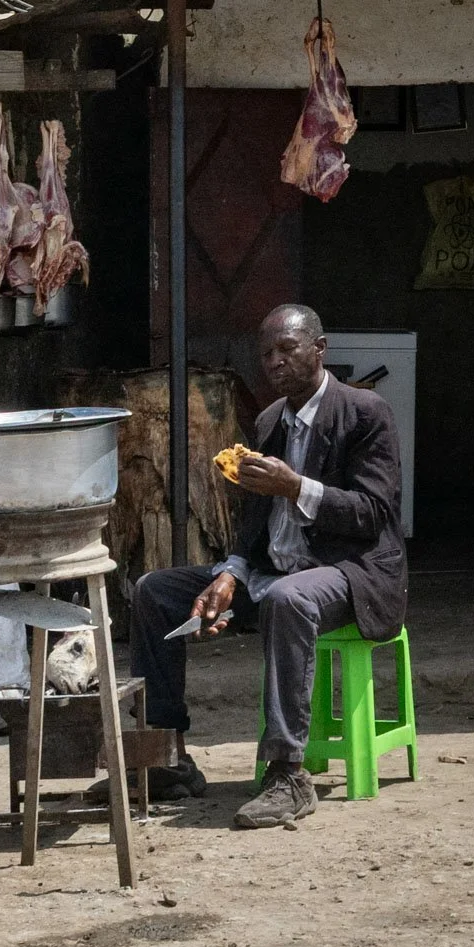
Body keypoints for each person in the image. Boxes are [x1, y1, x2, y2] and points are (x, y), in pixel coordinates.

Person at [129, 304, 406, 828]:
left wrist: (297, 486)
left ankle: (288, 775)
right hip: (273, 572)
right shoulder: (269, 419)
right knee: (154, 590)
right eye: (267, 353)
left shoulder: (366, 413)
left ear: (320, 350)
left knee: (288, 597)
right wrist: (231, 573)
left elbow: (374, 513)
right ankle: (166, 758)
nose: (275, 362)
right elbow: (254, 519)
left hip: (349, 573)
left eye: (288, 349)